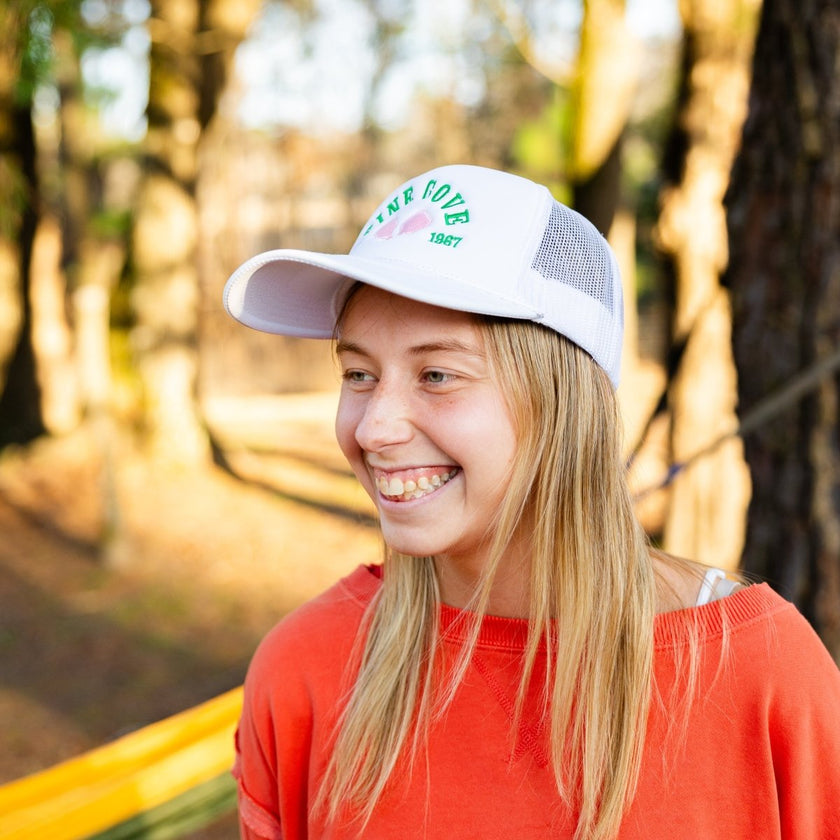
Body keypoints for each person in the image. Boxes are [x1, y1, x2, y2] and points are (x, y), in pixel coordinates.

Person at [223, 164, 840, 840]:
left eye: (437, 374)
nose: (373, 429)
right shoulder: (302, 672)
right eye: (359, 374)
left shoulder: (763, 676)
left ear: (562, 405)